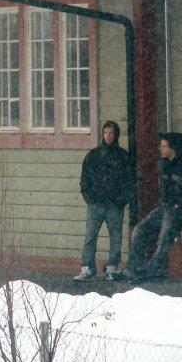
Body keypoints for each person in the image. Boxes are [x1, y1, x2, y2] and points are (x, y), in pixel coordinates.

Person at [115, 132, 182, 283]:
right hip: (165, 208)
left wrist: (180, 205)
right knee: (140, 229)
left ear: (174, 148)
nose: (160, 148)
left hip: (180, 210)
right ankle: (132, 269)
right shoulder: (166, 166)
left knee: (164, 237)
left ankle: (150, 271)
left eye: (164, 146)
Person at [73, 120, 135, 282]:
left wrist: (122, 200)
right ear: (102, 134)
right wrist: (90, 198)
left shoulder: (123, 156)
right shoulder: (93, 156)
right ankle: (87, 268)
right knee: (90, 236)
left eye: (111, 133)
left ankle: (111, 268)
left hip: (114, 204)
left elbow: (130, 181)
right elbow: (84, 180)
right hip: (95, 204)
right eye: (106, 132)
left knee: (115, 236)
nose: (108, 136)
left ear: (116, 135)